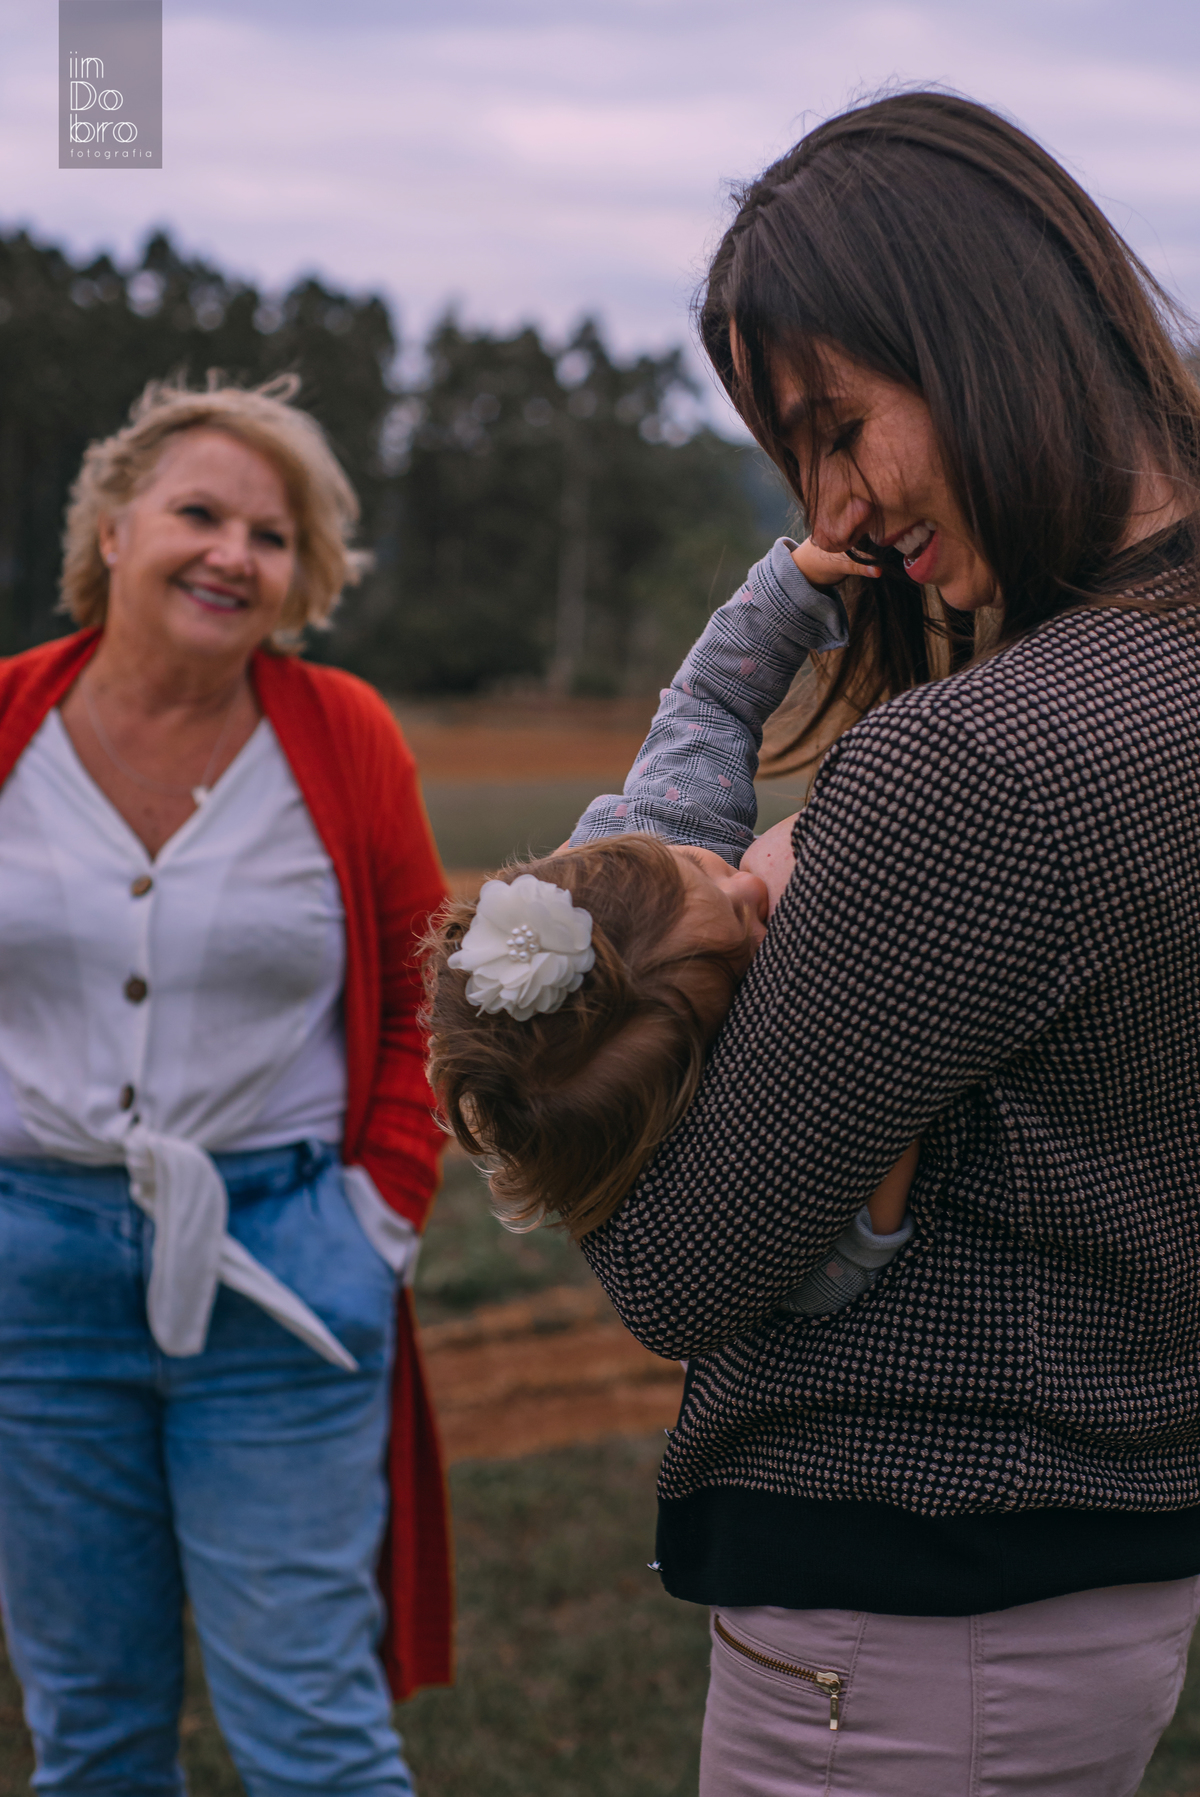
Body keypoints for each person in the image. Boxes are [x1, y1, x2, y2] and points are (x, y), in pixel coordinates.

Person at [486, 92, 1200, 1793]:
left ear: (981, 336)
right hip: (1104, 1557)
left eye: (837, 426)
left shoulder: (972, 763)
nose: (835, 503)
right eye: (786, 453)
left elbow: (683, 1268)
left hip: (907, 1627)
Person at [0, 377, 452, 1797]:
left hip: (285, 1264)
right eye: (201, 512)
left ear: (300, 574)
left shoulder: (345, 732)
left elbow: (423, 990)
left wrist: (376, 1221)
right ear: (116, 526)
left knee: (311, 1726)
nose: (232, 553)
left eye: (271, 534)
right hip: (32, 1280)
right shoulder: (9, 717)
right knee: (91, 1727)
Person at [425, 530, 916, 1314]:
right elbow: (826, 1275)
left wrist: (791, 582)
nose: (749, 892)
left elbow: (711, 699)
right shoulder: (740, 1110)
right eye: (747, 943)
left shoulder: (665, 840)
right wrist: (890, 1163)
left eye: (710, 874)